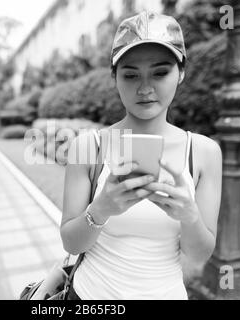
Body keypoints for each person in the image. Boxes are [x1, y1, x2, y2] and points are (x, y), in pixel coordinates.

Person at [61, 11, 222, 300]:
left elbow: (198, 256)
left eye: (160, 72)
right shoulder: (88, 147)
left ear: (181, 73)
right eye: (131, 74)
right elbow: (71, 244)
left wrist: (190, 216)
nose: (145, 88)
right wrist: (101, 210)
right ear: (114, 77)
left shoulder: (203, 152)